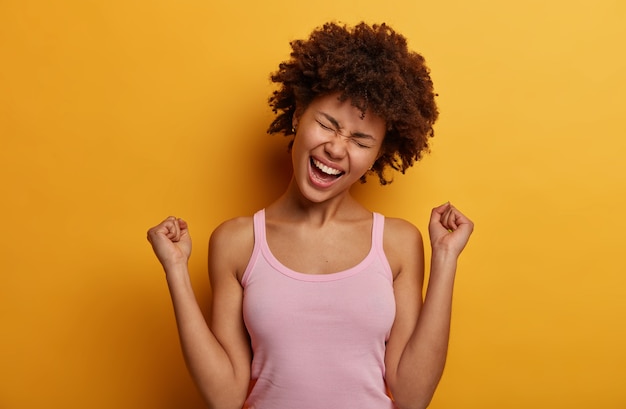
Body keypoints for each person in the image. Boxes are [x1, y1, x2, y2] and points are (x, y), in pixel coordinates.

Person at [147, 22, 474, 409]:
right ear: (299, 113)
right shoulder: (237, 242)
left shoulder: (398, 243)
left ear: (379, 155)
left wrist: (446, 260)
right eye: (327, 125)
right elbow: (225, 397)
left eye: (361, 141)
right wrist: (176, 270)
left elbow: (412, 396)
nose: (336, 149)